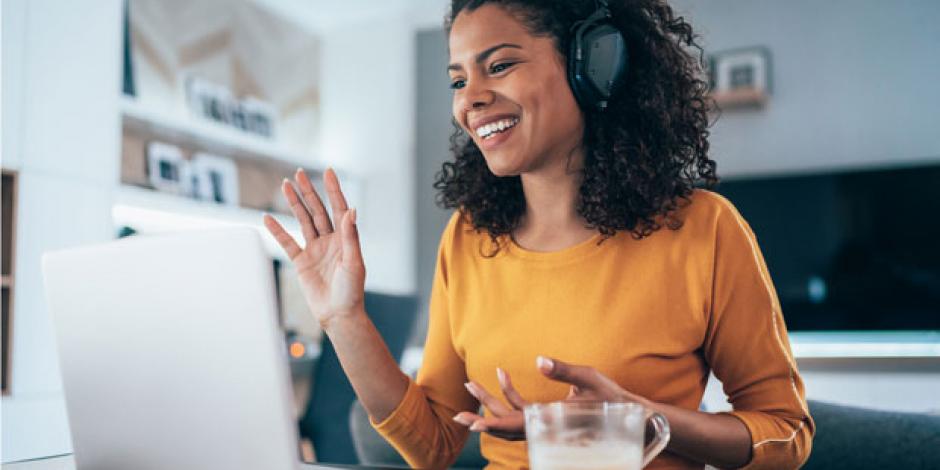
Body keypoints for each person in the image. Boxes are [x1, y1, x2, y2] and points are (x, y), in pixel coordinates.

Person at [263, 0, 814, 468]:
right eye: (458, 79)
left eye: (498, 65)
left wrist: (642, 421)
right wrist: (344, 319)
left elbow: (787, 433)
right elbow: (433, 444)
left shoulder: (704, 228)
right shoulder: (468, 239)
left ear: (594, 64)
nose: (469, 99)